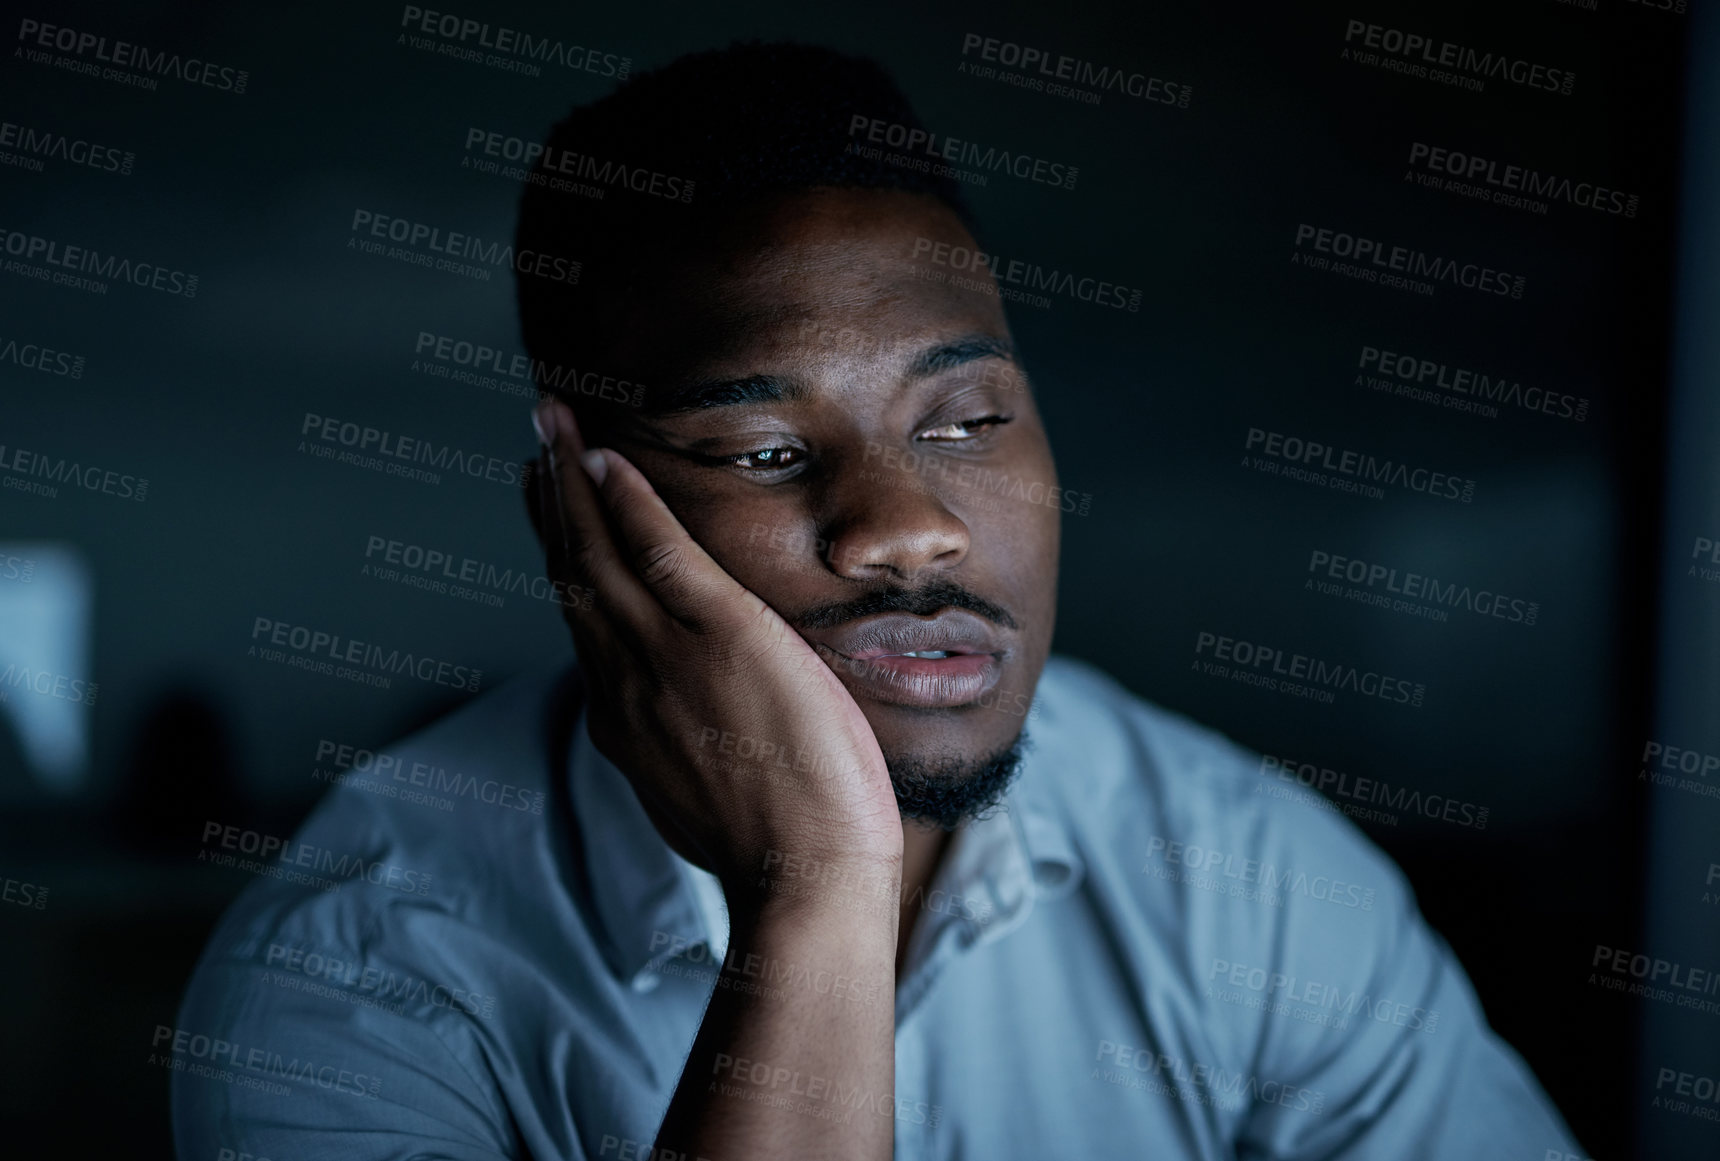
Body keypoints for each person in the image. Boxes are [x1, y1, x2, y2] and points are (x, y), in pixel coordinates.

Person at [173, 41, 1583, 1160]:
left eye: (968, 419)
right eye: (766, 452)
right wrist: (817, 898)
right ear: (575, 504)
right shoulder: (355, 990)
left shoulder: (1248, 878)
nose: (909, 529)